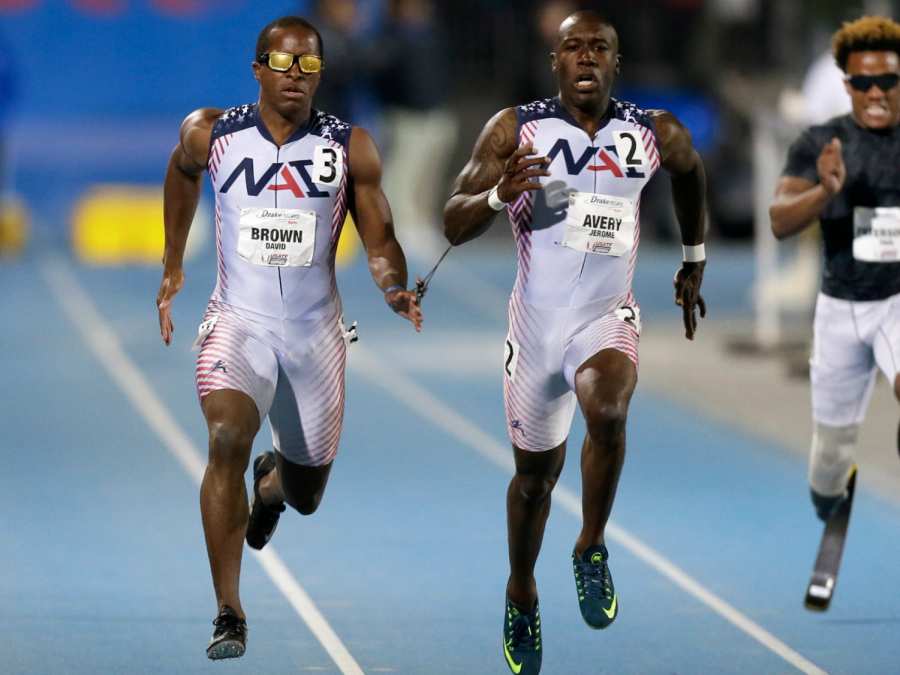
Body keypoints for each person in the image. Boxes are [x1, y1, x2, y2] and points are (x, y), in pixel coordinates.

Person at [441, 11, 707, 675]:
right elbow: (451, 220)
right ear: (554, 61)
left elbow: (691, 171)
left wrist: (693, 255)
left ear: (616, 64)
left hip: (603, 317)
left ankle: (590, 545)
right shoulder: (516, 129)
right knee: (534, 481)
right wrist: (500, 195)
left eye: (599, 49)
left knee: (609, 412)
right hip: (535, 328)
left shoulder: (652, 132)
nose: (586, 58)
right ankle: (522, 590)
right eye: (572, 48)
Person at [155, 15, 422, 660]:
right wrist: (172, 262)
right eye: (283, 64)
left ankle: (271, 485)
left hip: (314, 335)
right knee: (225, 437)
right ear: (258, 71)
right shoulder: (214, 132)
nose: (295, 77)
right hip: (237, 323)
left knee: (306, 496)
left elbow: (380, 238)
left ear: (320, 75)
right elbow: (181, 171)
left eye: (308, 67)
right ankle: (229, 610)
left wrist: (392, 286)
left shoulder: (349, 147)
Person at [770, 16, 900, 523]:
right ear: (847, 85)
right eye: (863, 82)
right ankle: (829, 490)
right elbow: (779, 221)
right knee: (829, 460)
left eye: (887, 81)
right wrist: (824, 192)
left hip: (896, 300)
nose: (875, 92)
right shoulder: (820, 143)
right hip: (841, 308)